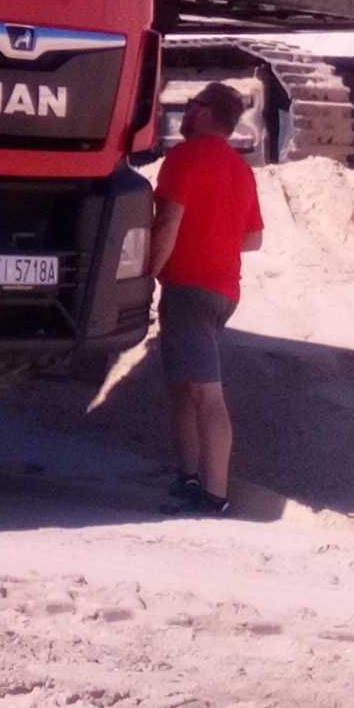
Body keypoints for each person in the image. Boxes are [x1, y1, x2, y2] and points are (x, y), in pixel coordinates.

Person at [147, 86, 263, 512]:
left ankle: (215, 496)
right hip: (223, 291)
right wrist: (216, 232)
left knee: (206, 394)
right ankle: (189, 478)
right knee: (182, 387)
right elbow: (253, 239)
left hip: (188, 292)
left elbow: (167, 225)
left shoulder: (184, 158)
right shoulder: (241, 170)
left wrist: (146, 278)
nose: (186, 112)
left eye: (192, 106)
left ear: (207, 113)